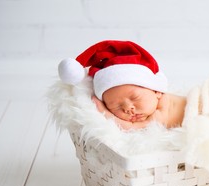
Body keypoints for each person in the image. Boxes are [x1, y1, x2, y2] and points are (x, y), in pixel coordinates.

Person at [58, 40, 186, 130]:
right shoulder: (153, 104)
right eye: (116, 107)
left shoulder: (159, 113)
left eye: (135, 97)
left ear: (157, 91)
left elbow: (131, 128)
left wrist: (105, 113)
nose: (128, 109)